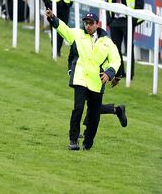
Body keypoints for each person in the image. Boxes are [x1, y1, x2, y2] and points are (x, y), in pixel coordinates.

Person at [45, 10, 127, 151]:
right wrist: (53, 18)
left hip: (97, 81)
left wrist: (109, 73)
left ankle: (88, 143)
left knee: (94, 115)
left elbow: (116, 59)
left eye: (90, 23)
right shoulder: (78, 34)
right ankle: (73, 140)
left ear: (97, 24)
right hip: (80, 78)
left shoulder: (107, 42)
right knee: (78, 108)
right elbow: (64, 30)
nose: (87, 26)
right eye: (86, 23)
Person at [107, 0, 144, 81]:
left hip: (127, 21)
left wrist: (133, 22)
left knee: (129, 48)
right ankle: (120, 72)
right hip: (115, 21)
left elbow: (139, 5)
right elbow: (108, 2)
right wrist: (110, 20)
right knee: (115, 49)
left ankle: (130, 74)